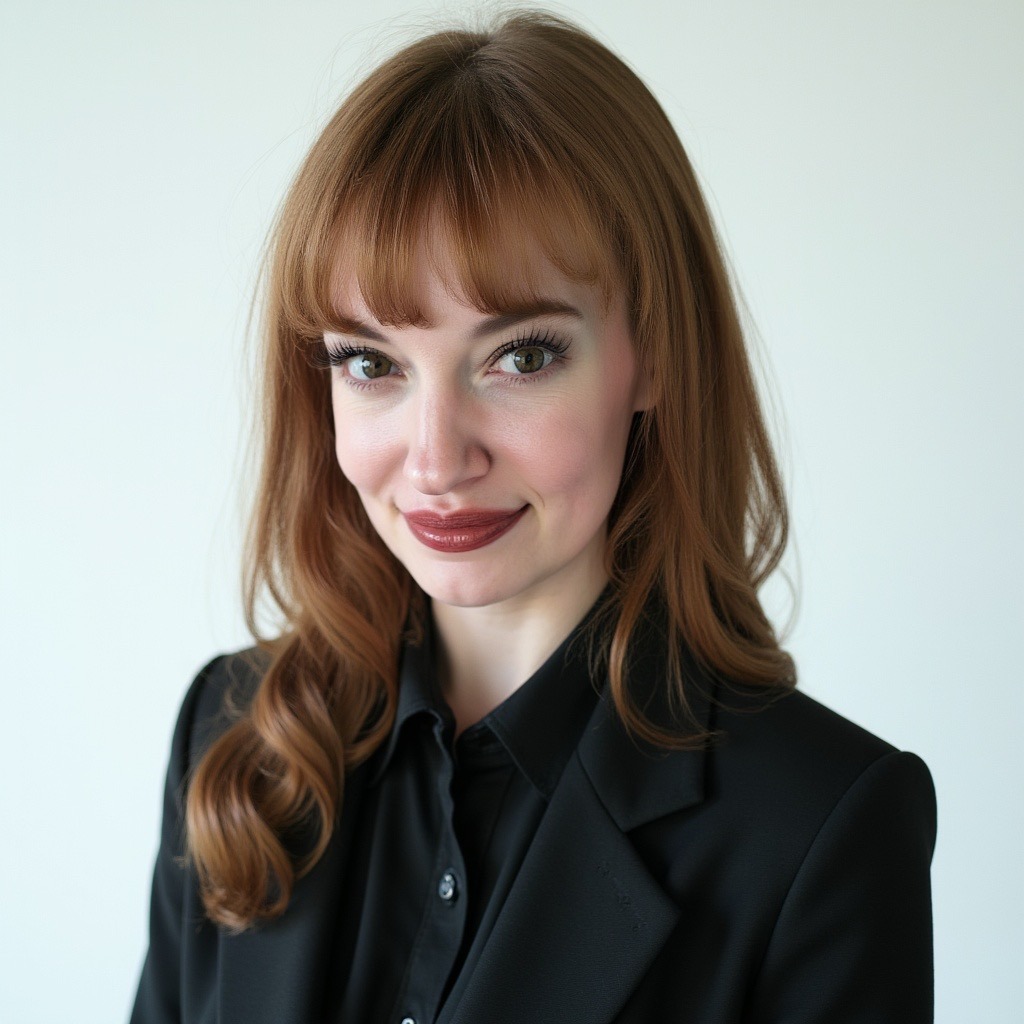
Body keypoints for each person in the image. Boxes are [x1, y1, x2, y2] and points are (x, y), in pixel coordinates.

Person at [130, 10, 936, 1023]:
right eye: (371, 363)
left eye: (519, 355)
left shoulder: (820, 826)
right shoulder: (234, 730)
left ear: (651, 353)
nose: (435, 457)